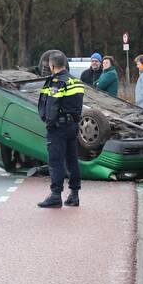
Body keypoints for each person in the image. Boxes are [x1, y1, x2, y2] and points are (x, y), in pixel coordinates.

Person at [37, 51, 85, 208]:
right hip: (73, 126)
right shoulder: (76, 81)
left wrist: (49, 124)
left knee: (55, 161)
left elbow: (52, 105)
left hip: (58, 127)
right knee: (72, 160)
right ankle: (74, 195)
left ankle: (55, 195)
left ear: (52, 65)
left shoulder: (57, 82)